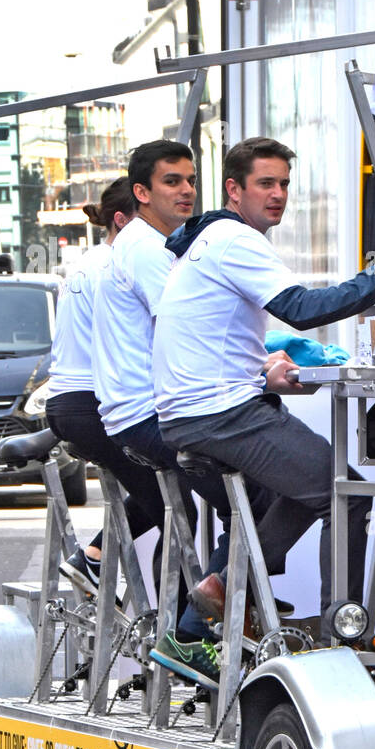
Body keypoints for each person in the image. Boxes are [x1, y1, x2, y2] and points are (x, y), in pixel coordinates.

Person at [152, 136, 375, 680]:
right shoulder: (235, 241)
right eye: (265, 184)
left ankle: (210, 599)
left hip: (202, 407)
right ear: (235, 189)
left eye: (283, 185)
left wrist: (260, 372)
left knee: (308, 483)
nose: (277, 195)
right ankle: (340, 642)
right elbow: (302, 309)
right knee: (345, 495)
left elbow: (211, 332)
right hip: (218, 412)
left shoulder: (212, 240)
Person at [91, 139, 234, 683]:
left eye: (191, 179)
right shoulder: (147, 248)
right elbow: (186, 326)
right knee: (257, 494)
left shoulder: (151, 242)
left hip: (138, 408)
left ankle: (198, 620)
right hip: (147, 413)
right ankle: (191, 629)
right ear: (142, 193)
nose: (187, 190)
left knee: (204, 508)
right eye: (172, 181)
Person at [44, 178, 158, 592]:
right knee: (172, 498)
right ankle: (185, 616)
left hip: (70, 401)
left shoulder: (90, 261)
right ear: (123, 220)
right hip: (91, 402)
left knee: (166, 495)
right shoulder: (115, 266)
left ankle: (95, 560)